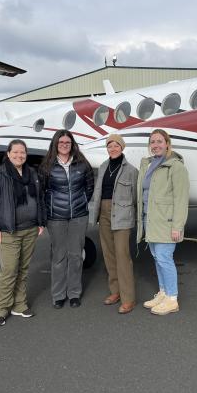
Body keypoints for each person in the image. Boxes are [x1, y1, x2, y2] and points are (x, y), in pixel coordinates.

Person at [0, 139, 46, 327]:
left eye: (23, 152)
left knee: (23, 270)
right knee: (9, 270)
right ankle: (1, 309)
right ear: (8, 154)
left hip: (30, 229)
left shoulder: (32, 173)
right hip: (9, 231)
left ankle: (19, 305)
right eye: (16, 152)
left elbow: (39, 198)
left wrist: (40, 221)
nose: (19, 155)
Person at [136, 129, 189, 315]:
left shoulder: (176, 167)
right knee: (158, 258)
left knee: (165, 258)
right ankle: (163, 292)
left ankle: (172, 298)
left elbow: (181, 199)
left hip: (166, 222)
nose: (156, 145)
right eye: (153, 142)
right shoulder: (149, 165)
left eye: (159, 141)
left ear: (167, 143)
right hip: (150, 220)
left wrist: (177, 226)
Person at [40, 130, 94, 309]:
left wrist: (81, 203)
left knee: (76, 256)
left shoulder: (82, 164)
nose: (64, 145)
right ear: (55, 144)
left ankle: (74, 293)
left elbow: (89, 186)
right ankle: (58, 295)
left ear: (72, 144)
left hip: (78, 216)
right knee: (58, 256)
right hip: (56, 218)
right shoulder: (47, 166)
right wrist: (50, 210)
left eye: (67, 142)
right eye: (61, 142)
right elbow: (42, 192)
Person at [91, 134, 139, 314]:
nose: (113, 148)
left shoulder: (131, 170)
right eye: (109, 145)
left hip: (122, 214)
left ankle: (129, 299)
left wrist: (132, 217)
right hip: (103, 212)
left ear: (122, 147)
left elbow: (135, 198)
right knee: (109, 254)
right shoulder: (103, 167)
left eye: (116, 145)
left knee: (122, 255)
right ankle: (115, 291)